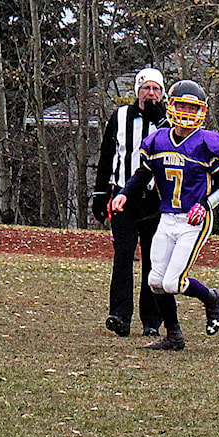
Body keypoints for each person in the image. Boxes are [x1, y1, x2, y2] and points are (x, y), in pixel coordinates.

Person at [110, 80, 219, 351]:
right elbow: (144, 173)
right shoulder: (158, 139)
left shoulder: (207, 142)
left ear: (202, 111)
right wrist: (125, 193)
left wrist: (207, 204)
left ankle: (212, 298)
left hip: (193, 218)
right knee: (155, 281)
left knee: (173, 282)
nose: (187, 113)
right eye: (182, 106)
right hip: (166, 217)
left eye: (193, 107)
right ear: (171, 106)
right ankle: (173, 335)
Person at [91, 67, 167, 339]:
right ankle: (120, 315)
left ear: (163, 92)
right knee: (123, 256)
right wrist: (100, 195)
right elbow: (106, 156)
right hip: (123, 197)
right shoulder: (120, 116)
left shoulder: (168, 122)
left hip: (154, 200)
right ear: (137, 91)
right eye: (146, 88)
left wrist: (162, 122)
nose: (151, 93)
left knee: (152, 259)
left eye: (156, 88)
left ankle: (152, 321)